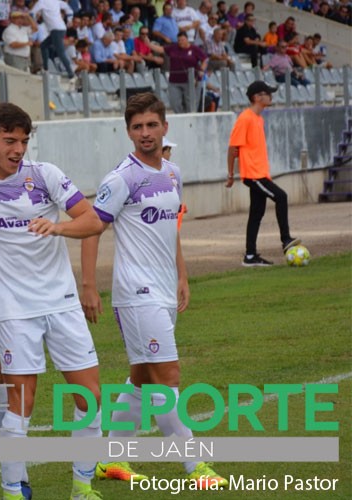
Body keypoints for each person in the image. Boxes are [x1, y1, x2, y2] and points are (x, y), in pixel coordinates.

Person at [81, 92, 228, 490]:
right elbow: (92, 228)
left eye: (151, 125)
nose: (145, 133)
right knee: (168, 377)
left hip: (163, 290)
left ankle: (111, 460)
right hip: (136, 293)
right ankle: (195, 466)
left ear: (165, 126)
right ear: (128, 131)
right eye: (137, 127)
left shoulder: (173, 173)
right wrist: (90, 285)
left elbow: (170, 230)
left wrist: (182, 275)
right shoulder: (121, 178)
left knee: (142, 379)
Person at [0, 102, 104, 500]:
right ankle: (12, 489)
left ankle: (83, 486)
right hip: (13, 312)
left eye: (24, 141)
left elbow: (92, 220)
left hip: (60, 303)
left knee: (90, 398)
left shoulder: (45, 176)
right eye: (9, 141)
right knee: (20, 403)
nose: (18, 149)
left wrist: (58, 227)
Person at [227, 81, 301, 267]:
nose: (271, 96)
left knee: (256, 214)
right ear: (257, 97)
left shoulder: (258, 119)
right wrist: (230, 175)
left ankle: (250, 256)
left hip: (260, 174)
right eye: (268, 93)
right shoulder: (245, 118)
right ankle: (285, 240)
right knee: (281, 197)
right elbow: (232, 148)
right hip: (253, 175)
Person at [31, 0, 75, 79]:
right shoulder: (57, 1)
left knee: (60, 52)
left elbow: (32, 12)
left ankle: (70, 72)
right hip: (61, 28)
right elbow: (69, 10)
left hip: (56, 30)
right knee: (43, 46)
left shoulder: (41, 2)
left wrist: (33, 20)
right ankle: (46, 69)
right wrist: (69, 20)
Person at [165, 31, 207, 114]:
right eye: (179, 40)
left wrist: (201, 70)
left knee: (191, 103)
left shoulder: (194, 49)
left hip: (192, 80)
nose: (181, 42)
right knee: (175, 103)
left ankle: (191, 120)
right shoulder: (174, 48)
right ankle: (181, 117)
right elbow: (161, 49)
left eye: (183, 40)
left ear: (187, 39)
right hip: (175, 80)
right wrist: (148, 44)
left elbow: (204, 59)